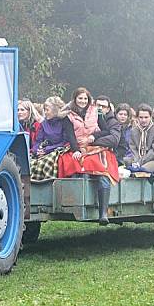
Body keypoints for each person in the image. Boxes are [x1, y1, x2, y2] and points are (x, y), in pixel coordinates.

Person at [57, 88, 120, 225]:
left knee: (102, 169)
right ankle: (78, 205)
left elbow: (106, 130)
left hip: (95, 146)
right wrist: (75, 150)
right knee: (74, 163)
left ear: (89, 99)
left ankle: (103, 213)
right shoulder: (69, 116)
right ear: (75, 99)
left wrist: (93, 137)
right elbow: (70, 135)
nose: (82, 101)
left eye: (85, 99)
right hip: (77, 146)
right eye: (80, 98)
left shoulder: (96, 112)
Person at [30, 96, 78, 181]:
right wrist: (37, 151)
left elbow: (65, 142)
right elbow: (38, 141)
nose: (45, 112)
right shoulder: (44, 124)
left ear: (55, 110)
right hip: (43, 150)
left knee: (47, 163)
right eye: (44, 110)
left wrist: (47, 150)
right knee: (31, 164)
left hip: (58, 150)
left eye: (47, 110)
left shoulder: (64, 122)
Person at [125, 104, 154, 171]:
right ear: (137, 118)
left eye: (146, 117)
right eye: (141, 117)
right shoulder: (134, 130)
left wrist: (140, 162)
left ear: (150, 117)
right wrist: (136, 161)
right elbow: (133, 149)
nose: (143, 120)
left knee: (143, 169)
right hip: (138, 159)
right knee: (125, 163)